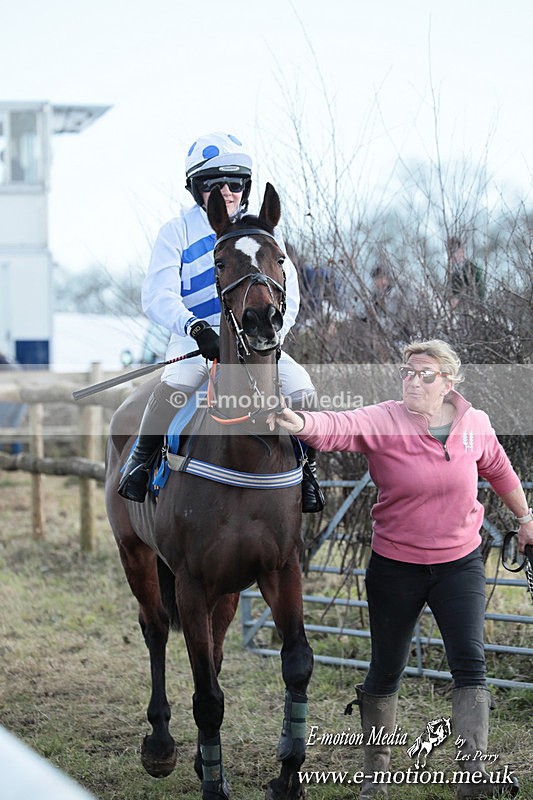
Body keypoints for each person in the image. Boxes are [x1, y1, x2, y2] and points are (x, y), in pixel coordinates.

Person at [269, 338, 529, 798]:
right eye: (407, 372)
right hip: (396, 566)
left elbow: (500, 471)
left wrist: (526, 521)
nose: (411, 380)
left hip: (460, 565)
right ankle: (376, 777)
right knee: (386, 669)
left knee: (470, 664)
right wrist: (298, 421)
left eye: (423, 374)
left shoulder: (476, 424)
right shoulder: (384, 419)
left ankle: (473, 778)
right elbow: (335, 427)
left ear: (447, 382)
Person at [118, 131, 324, 513]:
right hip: (196, 339)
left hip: (257, 339)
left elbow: (288, 293)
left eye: (234, 182)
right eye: (212, 184)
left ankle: (308, 472)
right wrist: (195, 329)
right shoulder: (175, 231)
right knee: (175, 384)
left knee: (302, 389)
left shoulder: (259, 232)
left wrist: (272, 332)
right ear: (196, 189)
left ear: (245, 185)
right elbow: (158, 295)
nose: (225, 190)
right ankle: (140, 465)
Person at [448, 237, 485, 309]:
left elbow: (479, 290)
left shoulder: (472, 268)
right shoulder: (453, 272)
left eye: (456, 252)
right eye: (451, 253)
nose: (454, 256)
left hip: (473, 308)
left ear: (462, 251)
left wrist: (459, 299)